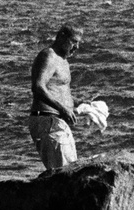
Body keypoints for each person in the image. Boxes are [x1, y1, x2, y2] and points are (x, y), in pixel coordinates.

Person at [29, 24, 91, 173]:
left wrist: (79, 104)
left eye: (78, 43)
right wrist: (63, 109)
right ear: (62, 37)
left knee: (70, 170)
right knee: (63, 174)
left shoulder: (63, 60)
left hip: (58, 122)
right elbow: (38, 87)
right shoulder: (49, 56)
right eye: (73, 41)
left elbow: (58, 90)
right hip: (48, 122)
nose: (77, 47)